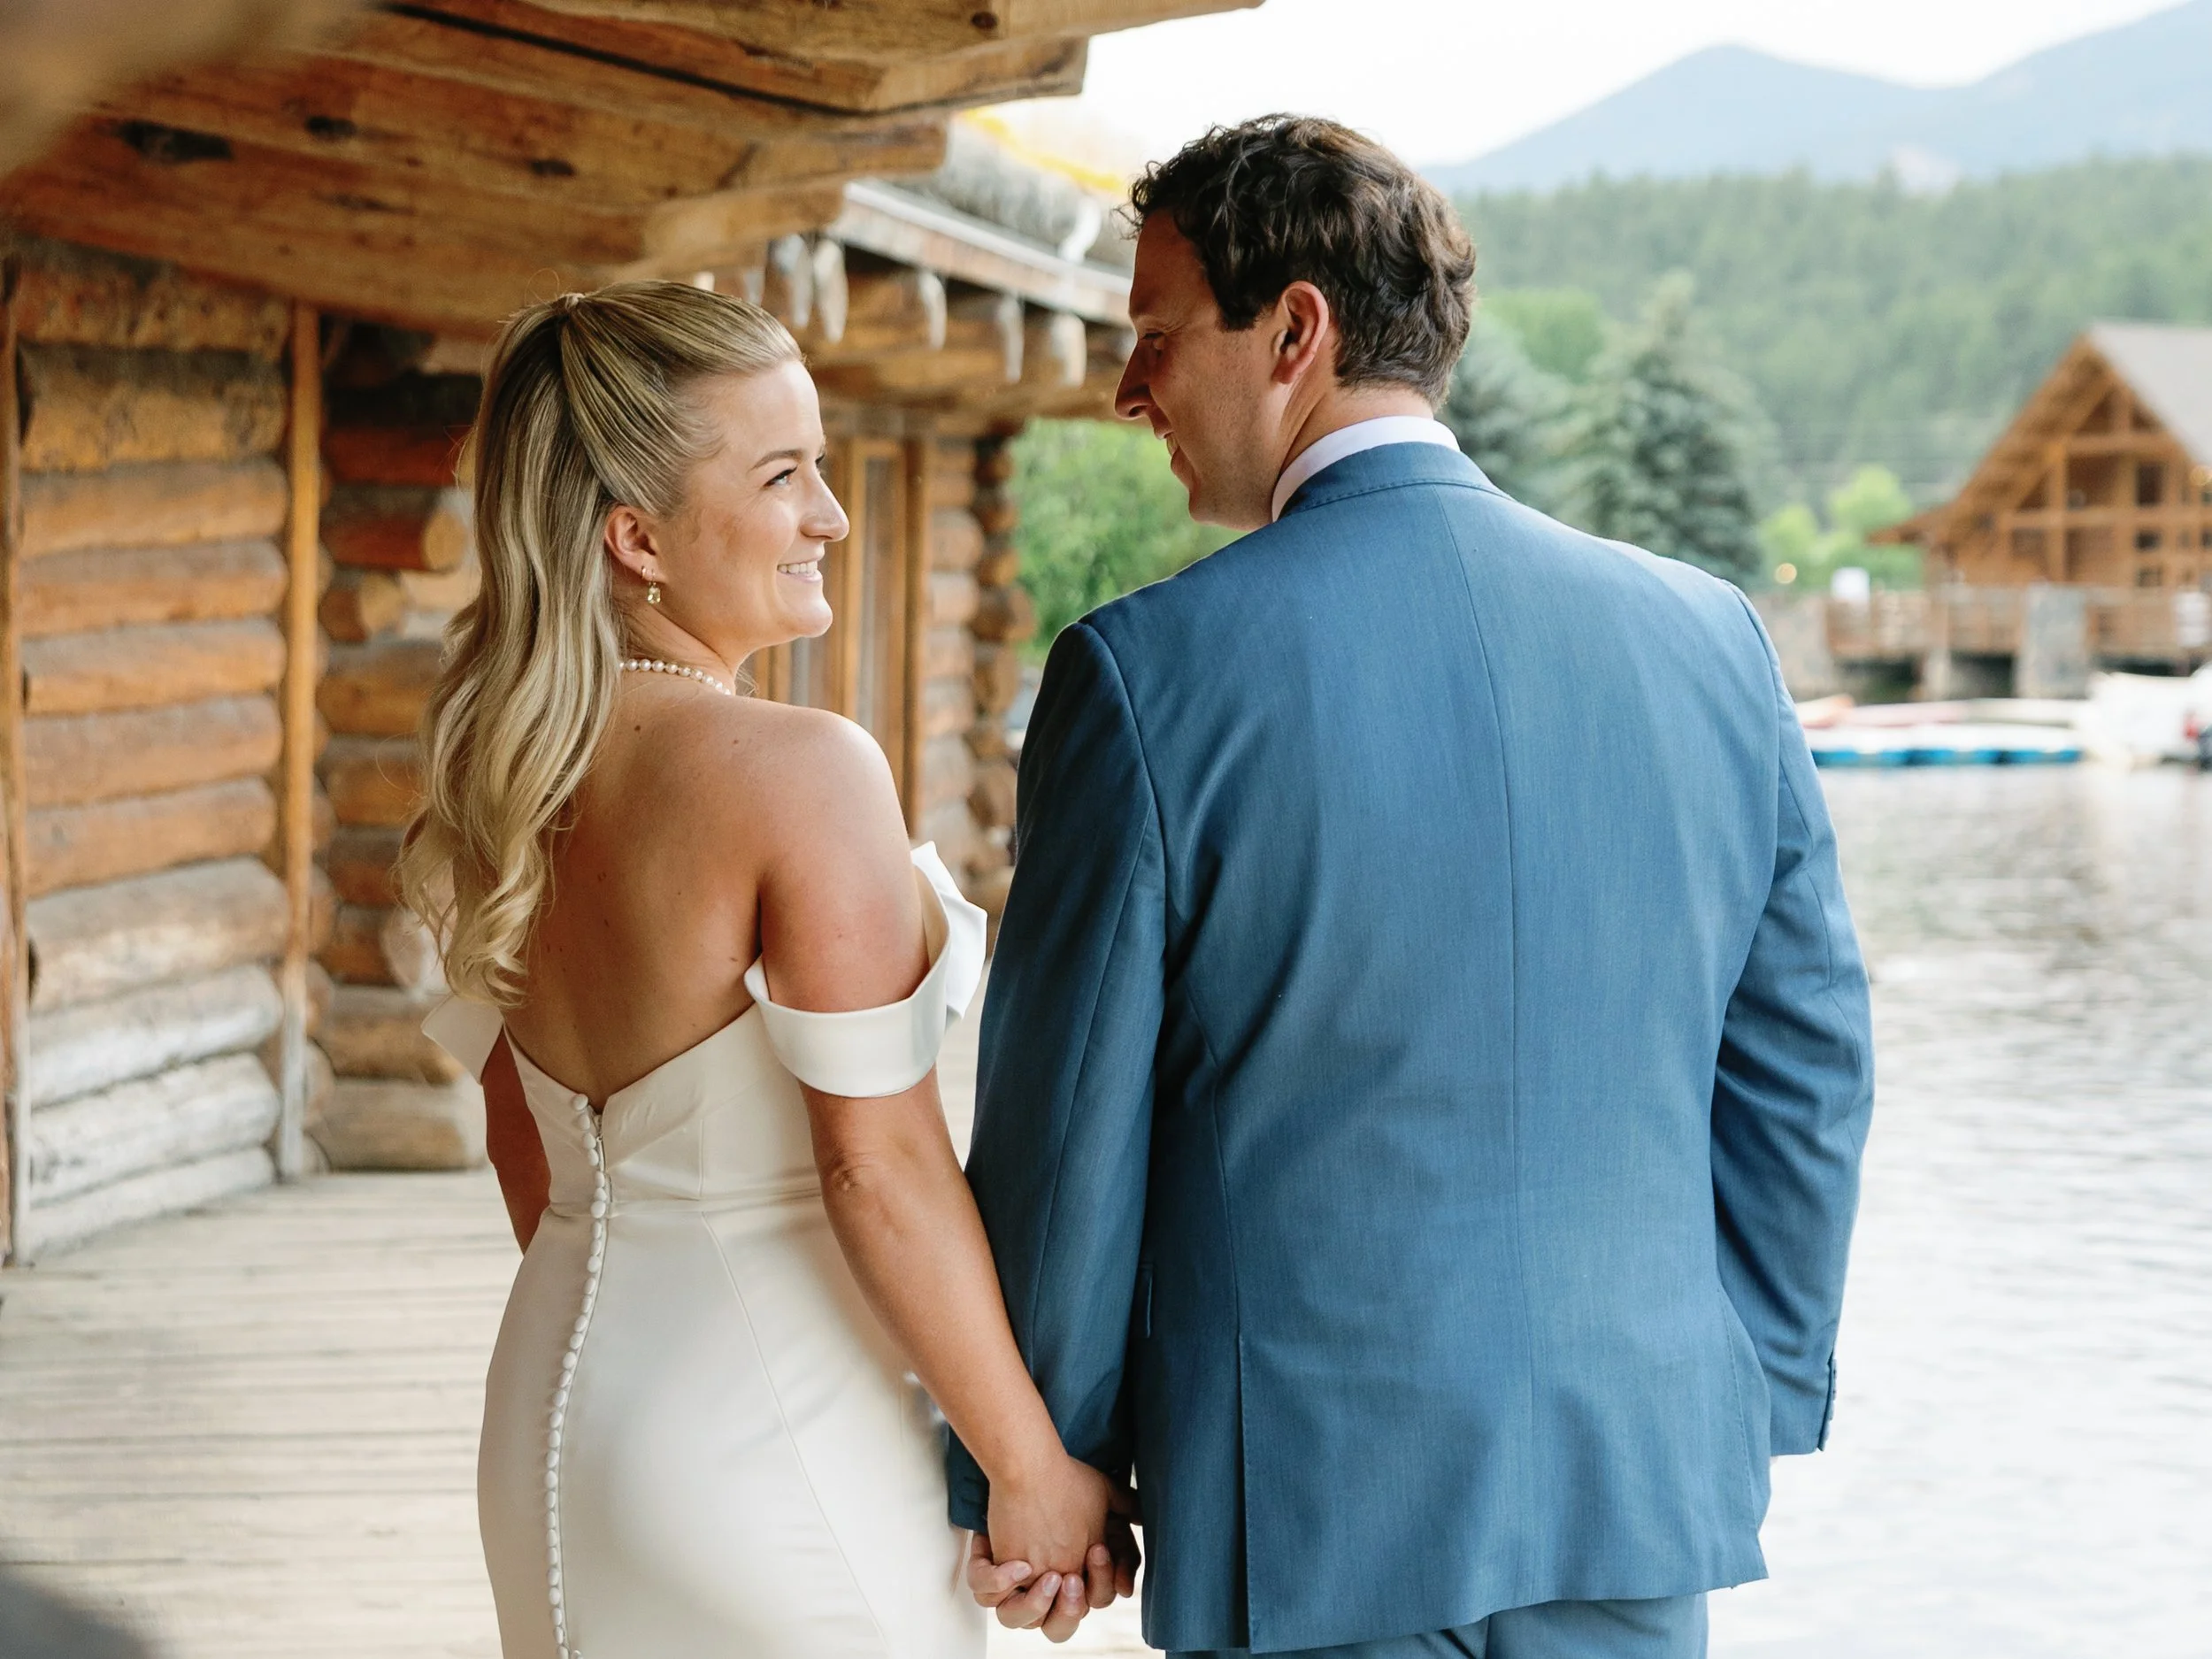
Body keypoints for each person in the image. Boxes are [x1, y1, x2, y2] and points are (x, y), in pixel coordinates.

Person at [955, 117, 1877, 1659]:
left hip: (1311, 1504)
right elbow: (1808, 1066)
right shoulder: (1711, 639)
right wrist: (1743, 1382)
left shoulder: (1142, 676)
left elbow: (1068, 1131)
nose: (1128, 391)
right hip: (1632, 1475)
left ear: (1296, 330)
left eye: (1159, 336)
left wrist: (1038, 1456)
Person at [400, 282, 1126, 1658]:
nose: (831, 516)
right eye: (785, 474)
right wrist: (1030, 1466)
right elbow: (880, 1167)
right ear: (638, 538)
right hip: (770, 1429)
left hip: (557, 1425)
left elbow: (526, 1155)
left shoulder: (497, 776)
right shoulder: (801, 771)